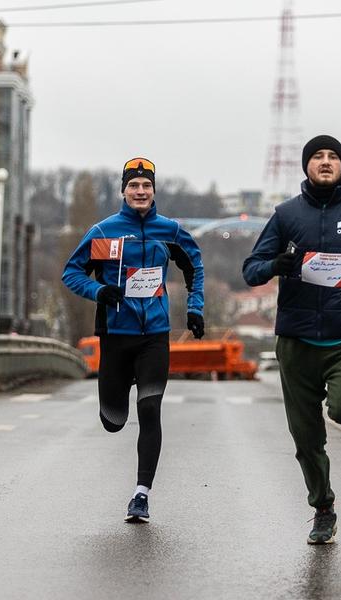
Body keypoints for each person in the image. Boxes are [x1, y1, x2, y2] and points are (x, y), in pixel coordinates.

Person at [242, 135, 341, 545]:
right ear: (306, 166)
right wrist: (275, 265)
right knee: (305, 437)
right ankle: (323, 507)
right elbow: (251, 270)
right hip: (296, 340)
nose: (326, 162)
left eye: (333, 156)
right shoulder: (285, 215)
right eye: (318, 156)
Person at [62, 157, 205, 523]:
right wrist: (98, 290)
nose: (140, 191)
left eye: (146, 186)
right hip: (116, 335)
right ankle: (114, 399)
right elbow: (72, 272)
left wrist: (195, 308)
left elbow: (195, 266)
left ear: (154, 190)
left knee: (150, 409)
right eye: (133, 186)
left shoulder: (169, 231)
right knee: (113, 419)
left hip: (154, 335)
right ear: (124, 191)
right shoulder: (103, 232)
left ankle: (141, 494)